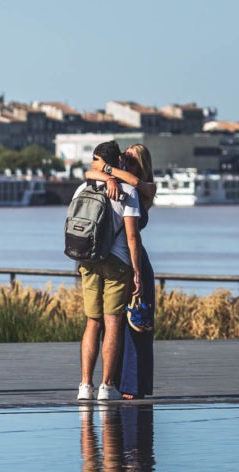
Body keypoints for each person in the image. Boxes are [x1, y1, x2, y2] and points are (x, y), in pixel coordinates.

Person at [74, 141, 141, 401]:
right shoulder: (126, 191)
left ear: (100, 162)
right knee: (112, 322)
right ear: (117, 162)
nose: (91, 165)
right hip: (118, 262)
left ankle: (84, 385)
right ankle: (106, 387)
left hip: (88, 260)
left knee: (92, 322)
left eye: (94, 160)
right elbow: (132, 237)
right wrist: (137, 273)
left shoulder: (83, 187)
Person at [88, 144, 156, 399]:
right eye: (123, 158)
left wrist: (108, 169)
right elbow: (88, 173)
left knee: (138, 325)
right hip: (120, 260)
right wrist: (107, 175)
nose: (125, 162)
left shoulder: (145, 187)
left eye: (131, 159)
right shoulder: (117, 181)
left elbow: (137, 182)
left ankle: (134, 385)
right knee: (114, 323)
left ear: (142, 166)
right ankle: (115, 381)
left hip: (136, 261)